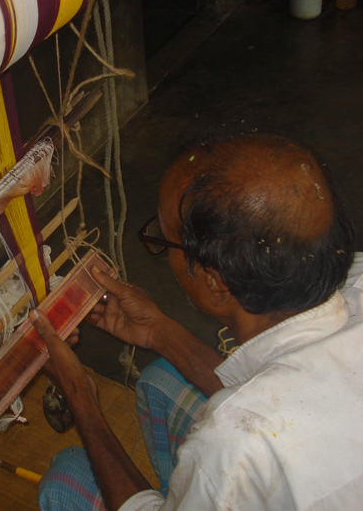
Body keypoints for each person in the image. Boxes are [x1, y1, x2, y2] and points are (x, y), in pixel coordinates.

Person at [30, 135, 363, 510]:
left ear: (214, 283)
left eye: (165, 238)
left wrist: (80, 397)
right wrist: (160, 332)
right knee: (160, 381)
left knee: (65, 478)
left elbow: (245, 430)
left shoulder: (234, 447)